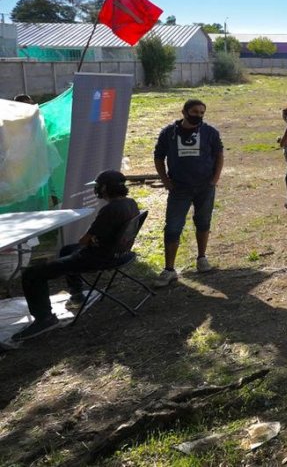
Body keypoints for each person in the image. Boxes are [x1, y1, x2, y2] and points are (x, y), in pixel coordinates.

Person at [12, 170, 140, 342]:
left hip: (99, 258)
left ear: (105, 188)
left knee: (31, 274)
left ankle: (45, 319)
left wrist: (91, 241)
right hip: (118, 252)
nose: (97, 190)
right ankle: (77, 295)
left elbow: (84, 240)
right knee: (66, 250)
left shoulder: (109, 210)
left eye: (98, 187)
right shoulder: (130, 203)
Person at [153, 98, 223, 286]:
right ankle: (169, 270)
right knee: (173, 226)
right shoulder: (169, 133)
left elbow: (219, 155)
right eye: (195, 112)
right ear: (184, 112)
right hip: (179, 188)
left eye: (202, 113)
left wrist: (214, 179)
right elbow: (158, 157)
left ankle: (202, 259)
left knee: (203, 222)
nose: (198, 116)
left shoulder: (210, 132)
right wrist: (165, 181)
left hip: (204, 187)